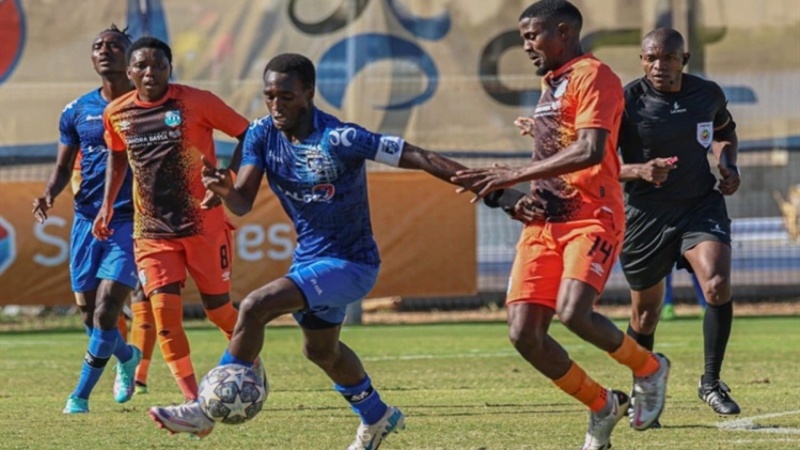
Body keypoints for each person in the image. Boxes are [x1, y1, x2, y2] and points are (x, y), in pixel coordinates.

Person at [148, 52, 478, 447]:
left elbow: (420, 156)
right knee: (321, 351)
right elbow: (243, 203)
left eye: (286, 97)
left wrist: (495, 191)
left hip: (351, 264)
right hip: (309, 260)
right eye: (270, 96)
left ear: (309, 93)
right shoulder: (261, 134)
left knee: (255, 305)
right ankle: (377, 416)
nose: (276, 105)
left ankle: (203, 410)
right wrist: (225, 190)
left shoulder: (340, 138)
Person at [452, 2, 671, 449]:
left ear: (565, 32)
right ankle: (602, 404)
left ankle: (649, 368)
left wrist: (514, 174)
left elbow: (591, 150)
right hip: (545, 220)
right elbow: (563, 141)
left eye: (533, 35)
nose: (526, 46)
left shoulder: (595, 75)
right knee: (524, 334)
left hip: (592, 215)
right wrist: (531, 160)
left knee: (573, 312)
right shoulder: (551, 83)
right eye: (523, 37)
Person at [93, 36, 251, 402]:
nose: (151, 72)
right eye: (142, 66)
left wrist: (228, 179)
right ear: (129, 71)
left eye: (159, 65)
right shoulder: (116, 113)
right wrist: (107, 204)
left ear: (170, 69)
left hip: (203, 224)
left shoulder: (196, 102)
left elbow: (249, 134)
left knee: (219, 312)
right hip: (152, 231)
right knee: (165, 319)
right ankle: (193, 400)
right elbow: (117, 156)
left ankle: (251, 363)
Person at [618, 28, 741, 416]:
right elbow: (598, 163)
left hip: (699, 205)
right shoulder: (625, 102)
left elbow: (724, 133)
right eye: (650, 58)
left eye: (668, 58)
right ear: (642, 60)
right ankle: (644, 394)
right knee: (645, 315)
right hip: (645, 215)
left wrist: (728, 164)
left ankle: (711, 383)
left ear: (683, 60)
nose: (659, 66)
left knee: (717, 284)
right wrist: (638, 171)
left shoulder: (707, 94)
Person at [32, 25, 142, 414]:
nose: (105, 50)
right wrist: (49, 193)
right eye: (98, 46)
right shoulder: (77, 110)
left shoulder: (148, 106)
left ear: (131, 57)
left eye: (114, 45)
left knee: (108, 307)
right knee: (89, 314)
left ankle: (79, 396)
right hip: (85, 222)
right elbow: (64, 167)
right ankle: (127, 356)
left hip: (130, 221)